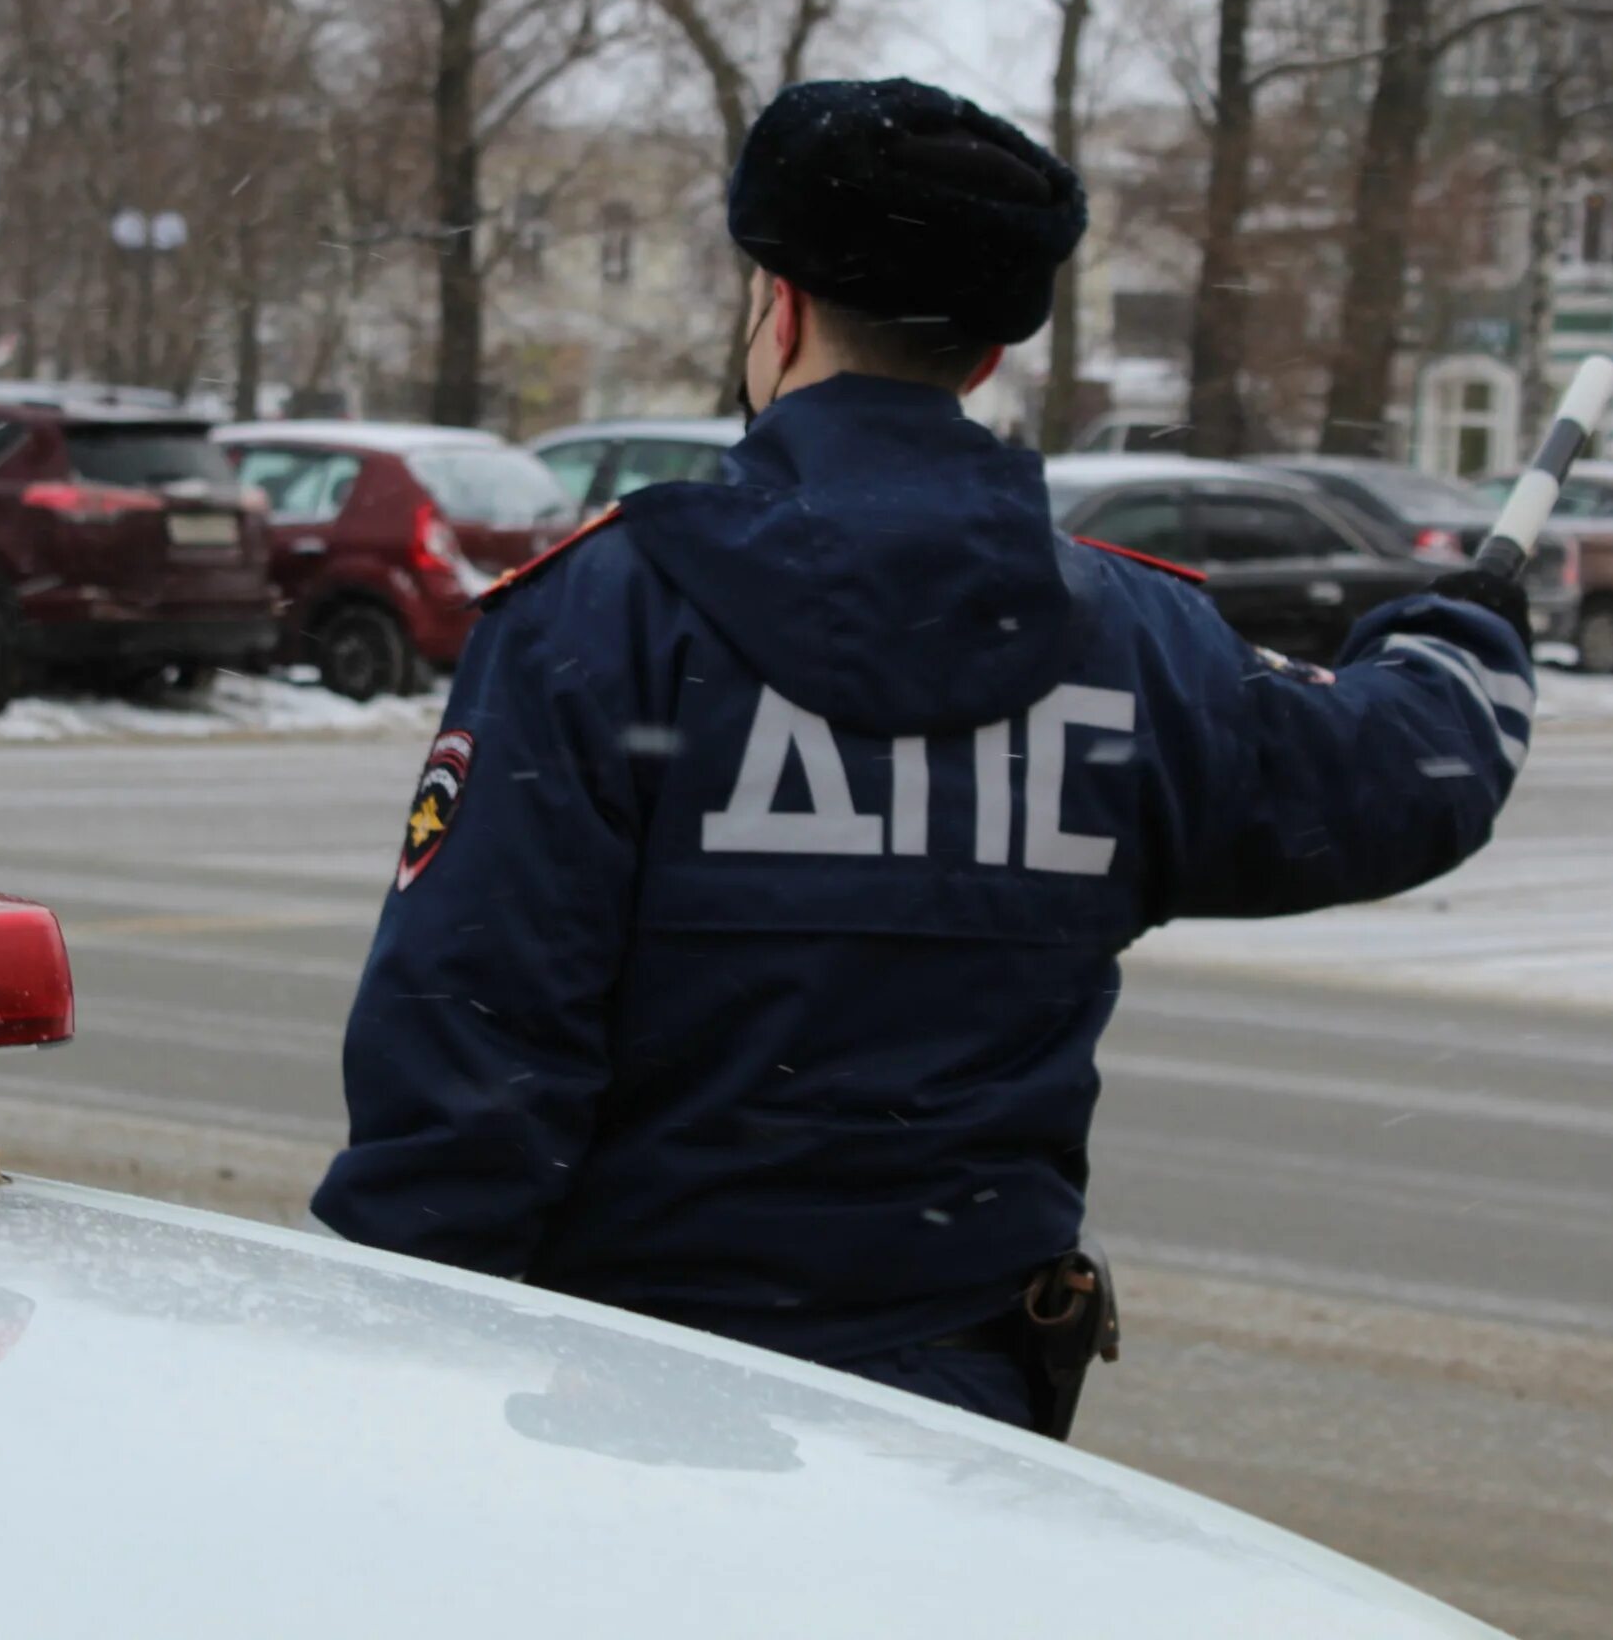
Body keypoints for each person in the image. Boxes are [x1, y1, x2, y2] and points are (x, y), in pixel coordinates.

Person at [309, 78, 1536, 1438]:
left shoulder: (604, 620)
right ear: (987, 358)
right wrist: (1458, 637)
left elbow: (467, 1060)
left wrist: (388, 1389)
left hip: (625, 1411)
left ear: (777, 306)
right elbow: (1400, 778)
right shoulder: (1134, 642)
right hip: (963, 1437)